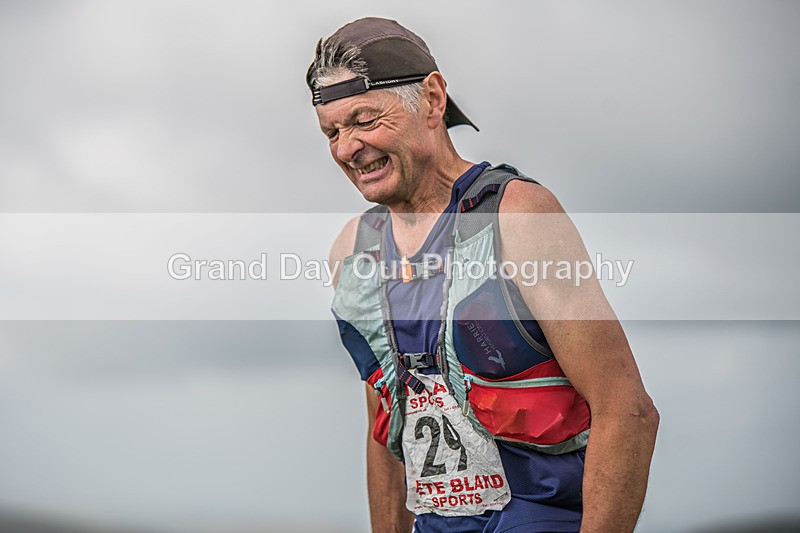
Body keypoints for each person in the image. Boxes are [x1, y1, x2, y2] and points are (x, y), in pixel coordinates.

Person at [306, 17, 659, 533]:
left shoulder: (518, 216)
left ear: (432, 99)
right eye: (332, 132)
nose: (346, 148)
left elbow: (626, 410)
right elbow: (389, 430)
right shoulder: (353, 251)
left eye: (364, 119)